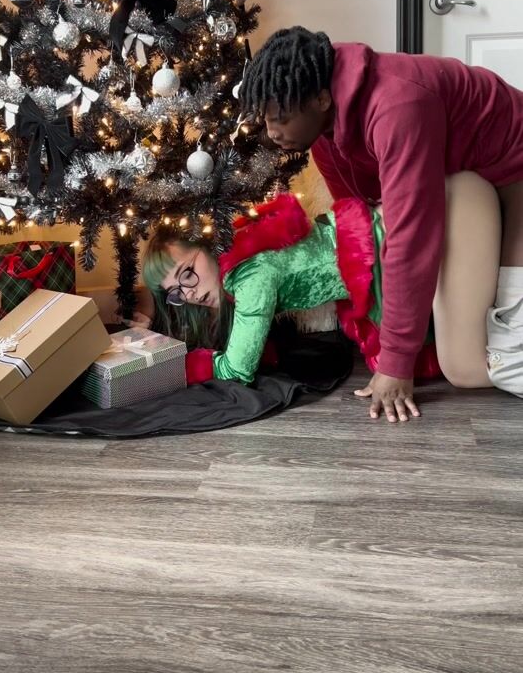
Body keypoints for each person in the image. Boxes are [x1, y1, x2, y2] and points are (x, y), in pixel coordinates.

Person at [239, 28, 523, 420]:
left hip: (515, 180)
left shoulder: (397, 106)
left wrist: (396, 363)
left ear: (321, 99)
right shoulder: (323, 131)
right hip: (475, 191)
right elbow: (364, 219)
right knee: (464, 354)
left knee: (499, 357)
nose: (273, 133)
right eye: (266, 120)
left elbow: (411, 237)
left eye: (281, 119)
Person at [142, 174, 503, 423]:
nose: (189, 293)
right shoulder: (242, 259)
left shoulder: (251, 277)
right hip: (402, 233)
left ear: (207, 246)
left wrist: (177, 369)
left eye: (187, 273)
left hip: (409, 235)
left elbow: (238, 370)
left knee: (463, 368)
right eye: (175, 292)